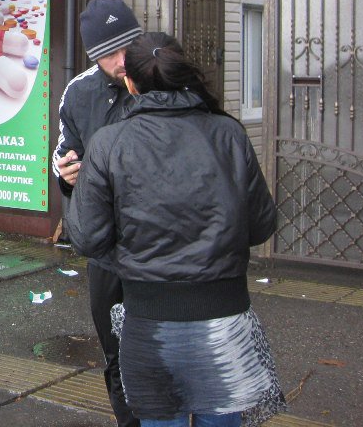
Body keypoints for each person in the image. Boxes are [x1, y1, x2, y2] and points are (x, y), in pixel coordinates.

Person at [66, 31, 282, 427]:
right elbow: (261, 225)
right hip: (226, 324)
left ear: (129, 82)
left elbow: (85, 237)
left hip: (148, 327)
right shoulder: (229, 133)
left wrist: (133, 257)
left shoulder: (109, 142)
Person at [52, 0, 143, 427]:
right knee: (115, 350)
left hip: (158, 244)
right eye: (110, 53)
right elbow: (64, 152)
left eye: (129, 46)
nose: (123, 61)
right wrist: (65, 171)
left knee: (159, 349)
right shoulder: (79, 92)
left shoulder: (160, 78)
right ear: (93, 54)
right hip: (106, 246)